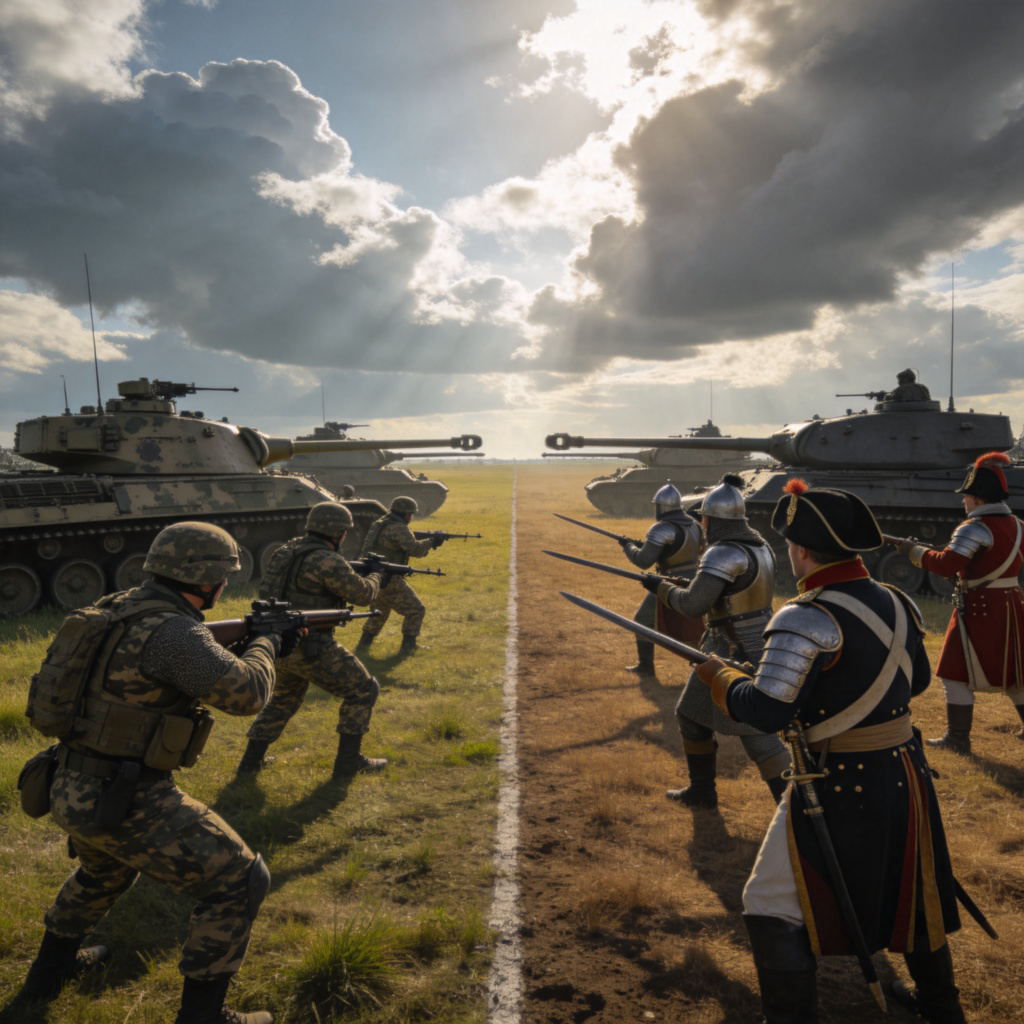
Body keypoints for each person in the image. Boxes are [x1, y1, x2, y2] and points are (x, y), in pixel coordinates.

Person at [694, 480, 965, 1024]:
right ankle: (942, 1009)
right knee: (914, 887)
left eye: (792, 546)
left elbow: (766, 712)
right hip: (904, 770)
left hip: (839, 779)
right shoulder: (899, 600)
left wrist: (721, 678)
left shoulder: (803, 616)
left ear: (801, 550)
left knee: (769, 904)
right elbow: (913, 683)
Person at [16, 522, 290, 1024]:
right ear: (209, 579)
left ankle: (46, 976)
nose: (227, 583)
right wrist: (267, 642)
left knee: (102, 872)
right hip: (125, 796)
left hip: (66, 782)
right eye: (225, 575)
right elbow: (248, 695)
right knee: (240, 879)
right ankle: (204, 1017)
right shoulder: (174, 632)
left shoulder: (114, 607)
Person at [646, 474, 790, 806]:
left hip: (731, 646)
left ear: (711, 519)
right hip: (753, 637)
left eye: (704, 518)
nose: (703, 523)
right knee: (691, 714)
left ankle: (795, 812)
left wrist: (662, 589)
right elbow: (730, 591)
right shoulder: (760, 545)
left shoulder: (723, 552)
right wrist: (684, 583)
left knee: (758, 733)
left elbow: (694, 605)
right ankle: (702, 792)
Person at [236, 501, 387, 778]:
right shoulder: (327, 559)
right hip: (310, 644)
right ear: (339, 532)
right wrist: (377, 574)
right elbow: (364, 595)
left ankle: (249, 765)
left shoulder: (286, 550)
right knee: (364, 690)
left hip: (278, 642)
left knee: (283, 699)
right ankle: (349, 764)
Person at [898, 451, 1024, 753]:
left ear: (979, 499)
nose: (963, 501)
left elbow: (944, 565)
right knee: (1016, 675)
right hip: (1011, 606)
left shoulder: (974, 527)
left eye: (967, 496)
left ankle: (957, 739)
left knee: (954, 674)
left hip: (980, 608)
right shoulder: (1018, 524)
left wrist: (913, 552)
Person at [619, 482, 702, 677]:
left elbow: (643, 561)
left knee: (641, 621)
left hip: (670, 582)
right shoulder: (693, 523)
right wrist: (645, 545)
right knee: (698, 627)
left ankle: (645, 666)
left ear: (660, 506)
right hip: (696, 580)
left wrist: (627, 546)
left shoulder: (662, 528)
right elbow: (693, 550)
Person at [354, 495, 442, 656]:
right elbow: (415, 550)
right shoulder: (399, 528)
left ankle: (362, 647)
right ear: (407, 514)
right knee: (416, 610)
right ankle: (408, 648)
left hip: (374, 577)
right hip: (390, 578)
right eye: (411, 514)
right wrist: (432, 541)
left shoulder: (379, 523)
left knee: (379, 613)